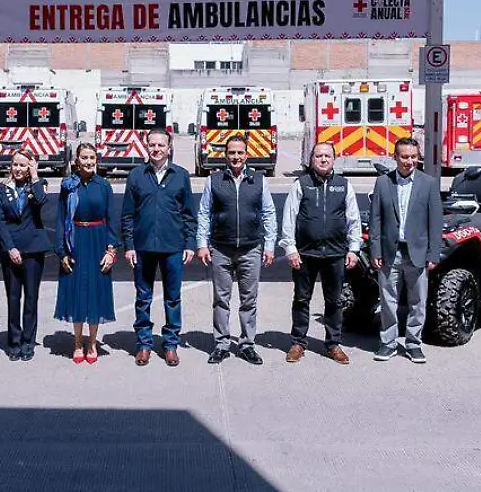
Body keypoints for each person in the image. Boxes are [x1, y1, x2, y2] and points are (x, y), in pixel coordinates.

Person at [277, 142, 362, 365]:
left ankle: (333, 344)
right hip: (305, 254)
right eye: (318, 156)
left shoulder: (344, 186)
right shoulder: (301, 184)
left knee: (334, 301)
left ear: (334, 159)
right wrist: (290, 249)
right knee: (301, 299)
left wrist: (354, 249)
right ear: (311, 159)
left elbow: (353, 219)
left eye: (327, 156)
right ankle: (298, 342)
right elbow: (289, 218)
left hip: (335, 254)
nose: (323, 159)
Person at [196, 135, 277, 365]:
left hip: (251, 248)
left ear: (247, 155)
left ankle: (246, 345)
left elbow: (269, 213)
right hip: (221, 248)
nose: (236, 157)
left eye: (240, 152)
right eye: (231, 152)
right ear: (225, 155)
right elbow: (204, 213)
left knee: (249, 300)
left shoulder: (259, 180)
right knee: (221, 299)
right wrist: (202, 243)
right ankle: (221, 344)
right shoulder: (214, 180)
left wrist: (269, 245)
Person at [121, 128, 196, 367]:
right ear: (147, 147)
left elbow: (189, 214)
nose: (156, 149)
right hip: (143, 248)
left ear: (169, 148)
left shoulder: (181, 175)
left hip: (173, 247)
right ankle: (144, 344)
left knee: (172, 298)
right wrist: (129, 245)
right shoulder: (136, 175)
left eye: (161, 145)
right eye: (152, 145)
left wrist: (190, 244)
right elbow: (127, 214)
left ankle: (170, 344)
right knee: (143, 298)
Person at [369, 137, 443, 365]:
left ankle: (413, 344)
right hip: (390, 252)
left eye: (413, 157)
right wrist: (375, 251)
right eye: (404, 157)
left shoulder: (428, 184)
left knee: (418, 301)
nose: (409, 161)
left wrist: (433, 253)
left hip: (417, 253)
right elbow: (375, 219)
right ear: (395, 157)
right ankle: (388, 343)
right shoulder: (383, 183)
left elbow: (435, 222)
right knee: (388, 301)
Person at [54, 144, 120, 364]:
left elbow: (112, 220)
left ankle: (92, 342)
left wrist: (111, 251)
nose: (89, 161)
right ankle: (77, 342)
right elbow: (61, 219)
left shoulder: (104, 186)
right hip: (75, 241)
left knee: (95, 291)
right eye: (84, 157)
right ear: (76, 160)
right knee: (76, 291)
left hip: (98, 241)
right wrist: (62, 251)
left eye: (92, 157)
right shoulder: (68, 186)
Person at [0, 149, 51, 361]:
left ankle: (28, 342)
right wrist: (10, 248)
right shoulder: (2, 188)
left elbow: (41, 201)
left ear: (30, 167)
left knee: (31, 298)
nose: (18, 169)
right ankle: (14, 342)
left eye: (23, 165)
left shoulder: (38, 185)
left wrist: (35, 176)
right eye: (15, 164)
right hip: (11, 250)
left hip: (33, 250)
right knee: (13, 297)